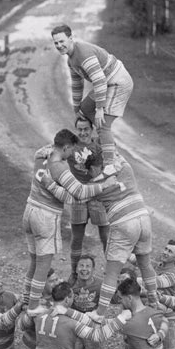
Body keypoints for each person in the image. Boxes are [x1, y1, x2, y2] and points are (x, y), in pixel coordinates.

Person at [22, 128, 118, 315]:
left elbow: (41, 152)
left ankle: (26, 297)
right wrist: (103, 186)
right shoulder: (59, 168)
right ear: (65, 147)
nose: (70, 155)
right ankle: (33, 306)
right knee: (43, 265)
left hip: (29, 211)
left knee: (33, 261)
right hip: (45, 216)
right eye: (70, 150)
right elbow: (79, 192)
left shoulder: (41, 157)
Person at [83, 152, 159, 319]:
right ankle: (154, 300)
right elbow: (111, 147)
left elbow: (78, 194)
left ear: (95, 168)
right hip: (143, 217)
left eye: (90, 171)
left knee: (111, 273)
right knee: (145, 264)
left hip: (123, 222)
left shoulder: (93, 185)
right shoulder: (124, 167)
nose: (89, 175)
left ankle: (100, 313)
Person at [51, 24, 134, 175]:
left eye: (62, 41)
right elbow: (77, 85)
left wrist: (100, 109)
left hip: (118, 82)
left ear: (71, 38)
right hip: (107, 83)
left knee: (102, 124)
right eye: (56, 43)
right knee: (85, 108)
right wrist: (76, 110)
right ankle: (104, 144)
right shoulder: (71, 60)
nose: (59, 45)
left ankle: (110, 163)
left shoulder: (83, 54)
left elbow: (100, 81)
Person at [67, 117, 110, 282]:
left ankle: (112, 273)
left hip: (96, 195)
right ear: (76, 130)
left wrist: (89, 163)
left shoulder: (97, 147)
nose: (83, 132)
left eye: (86, 129)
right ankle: (74, 273)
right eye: (80, 129)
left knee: (105, 235)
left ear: (91, 130)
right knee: (77, 237)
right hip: (78, 195)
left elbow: (97, 174)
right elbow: (56, 152)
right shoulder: (71, 146)